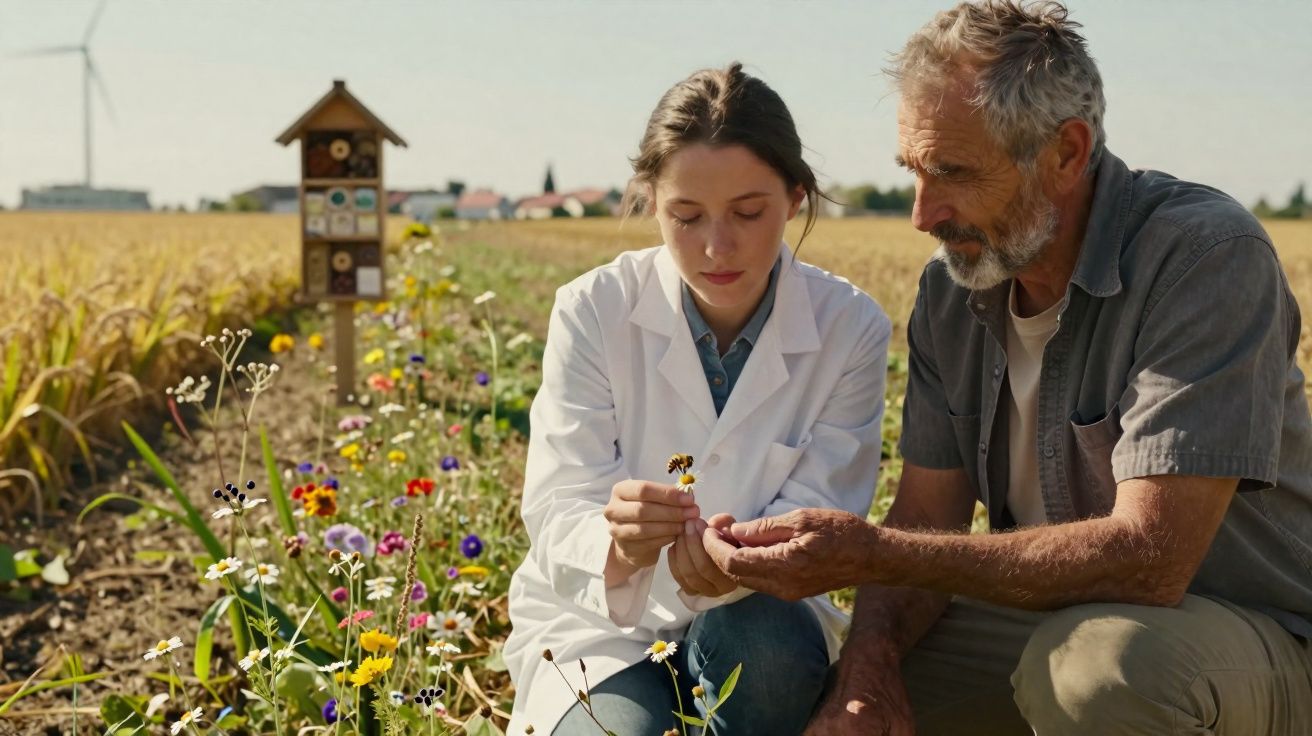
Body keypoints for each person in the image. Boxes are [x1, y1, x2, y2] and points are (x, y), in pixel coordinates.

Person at [702, 3, 1312, 734]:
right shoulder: (952, 290)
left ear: (1067, 153)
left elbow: (1151, 560)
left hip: (1251, 638)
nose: (923, 213)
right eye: (914, 171)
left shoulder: (1204, 259)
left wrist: (870, 552)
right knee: (846, 705)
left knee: (1096, 675)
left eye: (953, 171)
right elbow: (929, 515)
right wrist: (869, 669)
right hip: (1052, 619)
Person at [503, 62, 892, 736]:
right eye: (686, 215)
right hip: (601, 628)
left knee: (767, 653)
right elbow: (560, 501)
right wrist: (619, 541)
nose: (717, 246)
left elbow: (823, 510)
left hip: (763, 616)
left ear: (795, 198)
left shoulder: (850, 328)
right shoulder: (594, 310)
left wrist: (738, 560)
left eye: (749, 212)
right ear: (650, 199)